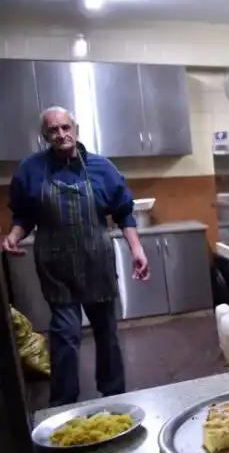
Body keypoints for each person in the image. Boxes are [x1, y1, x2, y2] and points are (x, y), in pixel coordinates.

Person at [2, 107, 149, 407]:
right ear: (44, 136)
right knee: (65, 334)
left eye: (65, 127)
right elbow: (24, 215)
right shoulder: (30, 170)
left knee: (107, 332)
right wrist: (14, 236)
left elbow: (123, 212)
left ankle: (114, 396)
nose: (61, 134)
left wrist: (137, 249)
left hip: (97, 262)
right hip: (56, 266)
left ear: (76, 129)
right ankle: (64, 404)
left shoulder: (101, 168)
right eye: (53, 130)